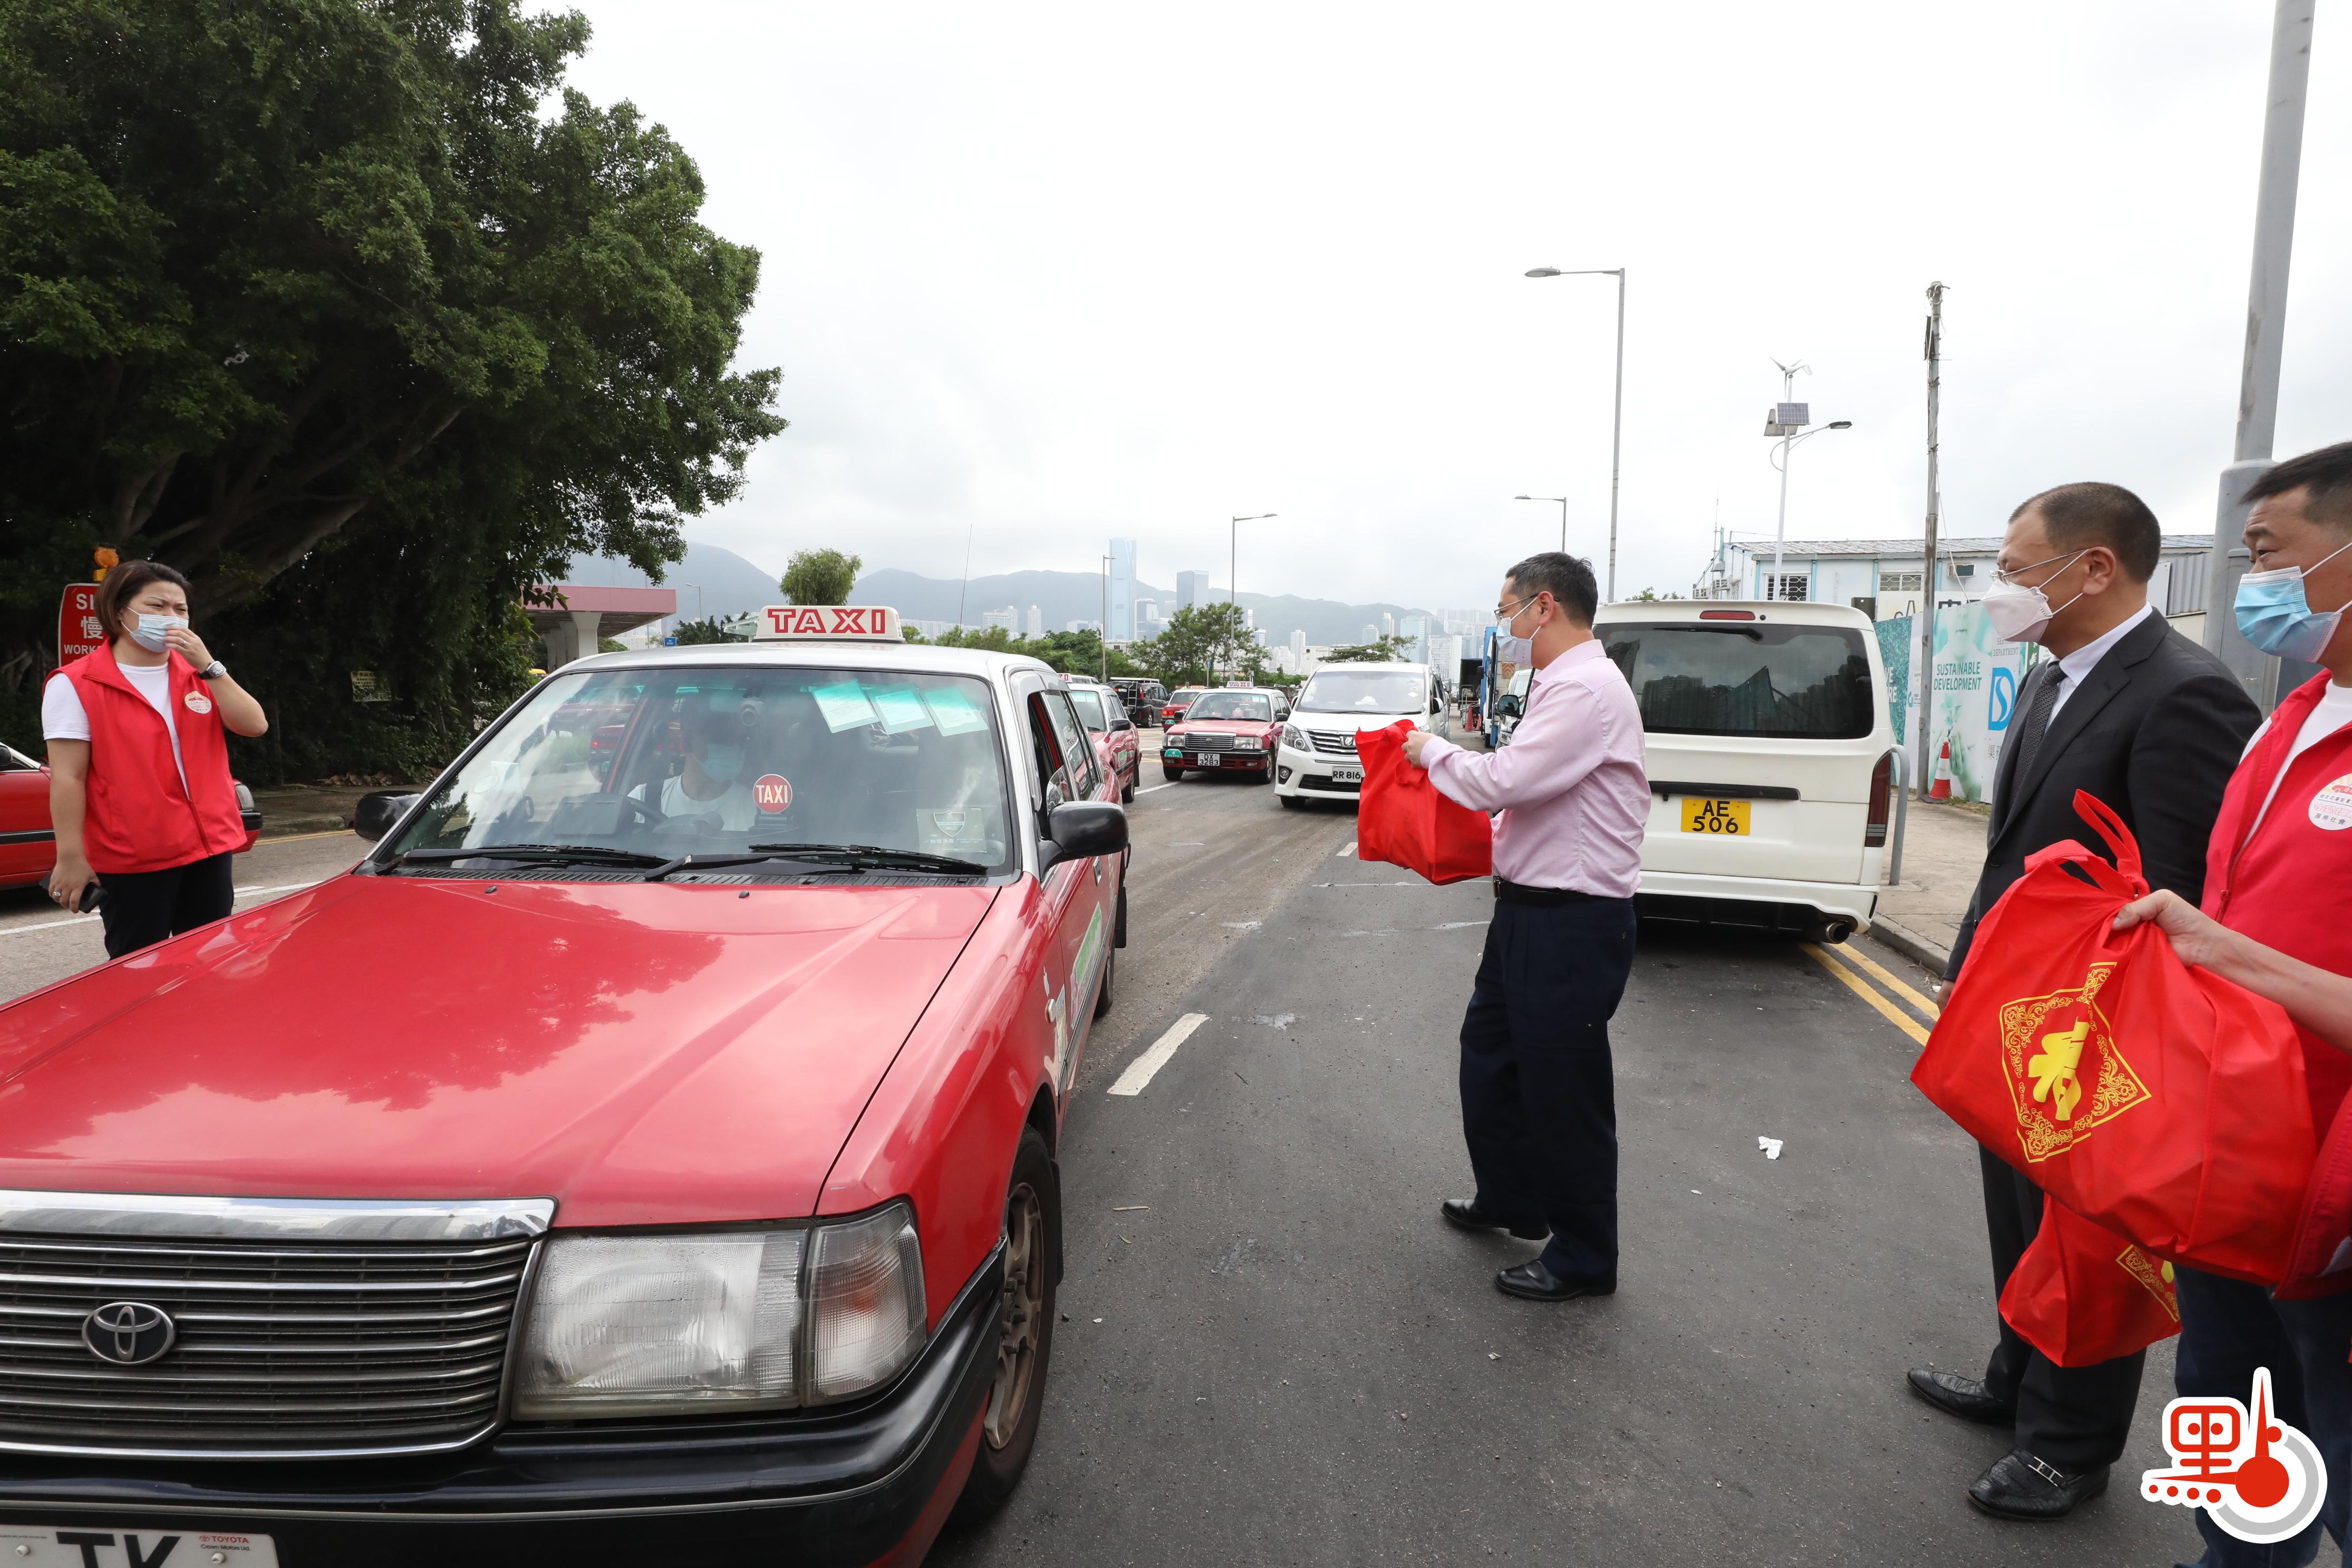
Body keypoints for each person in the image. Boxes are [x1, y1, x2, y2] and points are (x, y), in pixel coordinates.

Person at [1903, 483, 2260, 1521]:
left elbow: (2180, 887)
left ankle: (2068, 1445)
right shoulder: (2054, 676)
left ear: (2093, 567)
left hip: (2100, 1026)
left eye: (2015, 570)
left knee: (2089, 1238)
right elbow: (2010, 852)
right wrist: (1970, 968)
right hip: (2017, 1008)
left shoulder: (2183, 692)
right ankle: (2016, 1379)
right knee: (2018, 1219)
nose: (2000, 590)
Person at [2115, 440, 2352, 1568]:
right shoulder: (2288, 716)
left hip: (2334, 1183)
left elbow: (2229, 938)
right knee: (2229, 1403)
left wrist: (2220, 951)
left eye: (2267, 554)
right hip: (2234, 1153)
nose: (2250, 582)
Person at [1401, 552, 1649, 1302]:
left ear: (1545, 607)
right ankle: (1512, 1196)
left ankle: (1585, 1255)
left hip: (1571, 921)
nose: (1504, 627)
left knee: (1564, 1089)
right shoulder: (1560, 684)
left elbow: (1504, 781)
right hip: (1529, 912)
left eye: (1507, 611)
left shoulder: (1586, 690)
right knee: (1493, 1058)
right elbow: (1530, 796)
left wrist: (1431, 750)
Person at [43, 560, 269, 958]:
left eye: (181, 610)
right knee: (140, 967)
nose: (171, 618)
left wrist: (209, 666)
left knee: (210, 961)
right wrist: (71, 857)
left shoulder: (198, 675)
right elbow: (68, 777)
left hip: (208, 848)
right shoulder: (76, 683)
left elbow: (254, 725)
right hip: (134, 858)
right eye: (157, 606)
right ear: (119, 612)